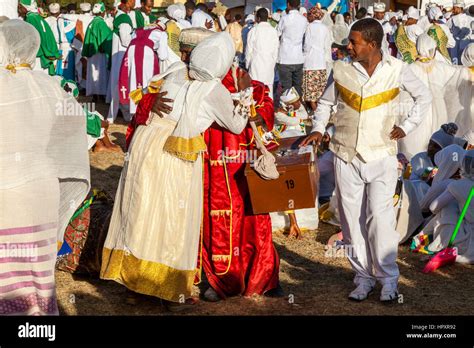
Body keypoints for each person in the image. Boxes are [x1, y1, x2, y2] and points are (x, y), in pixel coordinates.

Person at [100, 32, 252, 310]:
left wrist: (148, 103)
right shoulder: (213, 89)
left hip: (146, 144)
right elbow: (237, 125)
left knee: (142, 213)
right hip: (174, 152)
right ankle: (169, 289)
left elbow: (146, 96)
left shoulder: (174, 71)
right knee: (172, 218)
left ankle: (135, 279)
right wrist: (246, 90)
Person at [300, 18, 432, 302]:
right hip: (345, 154)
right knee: (350, 220)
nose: (348, 46)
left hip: (381, 155)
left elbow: (424, 97)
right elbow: (325, 103)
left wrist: (407, 127)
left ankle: (388, 280)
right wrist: (318, 129)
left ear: (372, 44)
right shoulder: (341, 69)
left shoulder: (397, 69)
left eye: (353, 42)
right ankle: (362, 277)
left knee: (380, 219)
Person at [0, 19, 90, 315]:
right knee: (39, 270)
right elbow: (77, 124)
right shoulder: (51, 86)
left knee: (8, 274)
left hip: (7, 189)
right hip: (42, 187)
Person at [398, 34, 470, 159]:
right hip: (438, 109)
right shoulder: (441, 67)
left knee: (417, 143)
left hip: (417, 111)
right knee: (438, 142)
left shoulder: (408, 69)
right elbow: (459, 72)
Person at [412, 149, 473, 263]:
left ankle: (432, 241)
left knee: (449, 207)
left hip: (467, 238)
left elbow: (433, 207)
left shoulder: (457, 185)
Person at [118, 23, 168, 119]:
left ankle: (133, 111)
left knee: (133, 80)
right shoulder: (161, 33)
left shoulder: (138, 30)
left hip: (131, 52)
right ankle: (144, 110)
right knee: (146, 81)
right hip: (146, 53)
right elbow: (163, 56)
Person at [107, 0, 134, 122]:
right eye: (132, 1)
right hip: (122, 55)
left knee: (118, 84)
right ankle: (125, 112)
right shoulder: (124, 19)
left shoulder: (119, 16)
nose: (133, 3)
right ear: (127, 2)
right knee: (122, 83)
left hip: (118, 55)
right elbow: (125, 40)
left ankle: (121, 112)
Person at [18, 0, 60, 76]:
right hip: (44, 51)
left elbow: (36, 37)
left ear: (26, 7)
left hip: (39, 53)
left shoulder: (31, 18)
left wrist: (47, 53)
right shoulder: (36, 16)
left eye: (20, 7)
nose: (19, 9)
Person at [276, 0, 308, 96]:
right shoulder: (304, 20)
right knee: (297, 86)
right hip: (298, 58)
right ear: (299, 5)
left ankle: (288, 108)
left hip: (285, 58)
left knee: (286, 88)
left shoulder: (284, 19)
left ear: (288, 5)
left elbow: (277, 34)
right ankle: (296, 107)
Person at [303, 6, 331, 113]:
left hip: (310, 62)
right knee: (319, 91)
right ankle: (319, 112)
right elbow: (327, 46)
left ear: (312, 16)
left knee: (310, 91)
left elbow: (306, 46)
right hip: (321, 63)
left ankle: (315, 112)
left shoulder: (309, 27)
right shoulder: (325, 28)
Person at [245, 8, 279, 97]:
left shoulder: (253, 31)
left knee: (255, 90)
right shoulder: (274, 31)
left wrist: (247, 65)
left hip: (256, 64)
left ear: (258, 18)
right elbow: (276, 50)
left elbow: (249, 50)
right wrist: (273, 63)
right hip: (269, 65)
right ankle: (268, 108)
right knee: (268, 90)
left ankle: (256, 109)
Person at [83, 1, 112, 102]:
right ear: (103, 12)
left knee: (93, 74)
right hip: (100, 54)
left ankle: (95, 95)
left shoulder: (92, 22)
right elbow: (107, 39)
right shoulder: (100, 23)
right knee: (100, 74)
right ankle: (101, 95)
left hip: (92, 54)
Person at [447, 0, 471, 65]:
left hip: (466, 46)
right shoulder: (451, 19)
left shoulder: (470, 19)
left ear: (459, 8)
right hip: (456, 47)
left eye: (454, 8)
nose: (453, 10)